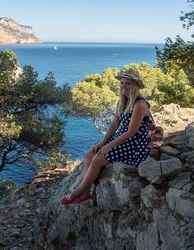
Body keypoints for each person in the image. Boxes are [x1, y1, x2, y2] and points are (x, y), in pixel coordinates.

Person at [60, 68, 151, 206]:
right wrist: (102, 143)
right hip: (121, 138)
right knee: (89, 155)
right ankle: (85, 195)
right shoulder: (122, 102)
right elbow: (115, 124)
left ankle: (77, 192)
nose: (123, 86)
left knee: (98, 159)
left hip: (135, 144)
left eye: (128, 83)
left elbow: (132, 132)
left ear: (135, 86)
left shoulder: (140, 104)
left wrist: (109, 146)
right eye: (122, 83)